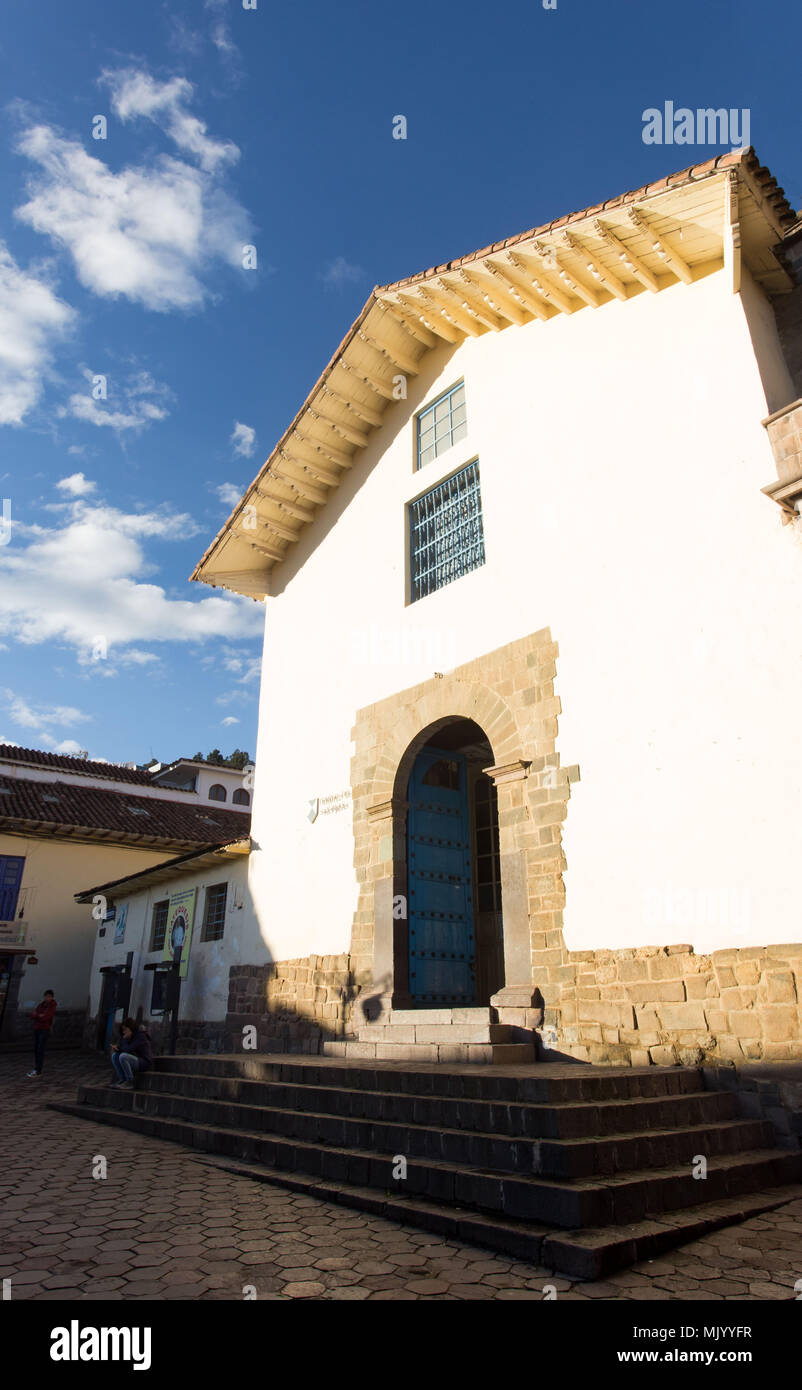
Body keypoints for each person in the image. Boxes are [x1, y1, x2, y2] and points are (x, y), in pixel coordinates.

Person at [110, 1017, 153, 1090]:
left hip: (144, 1062)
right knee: (115, 1056)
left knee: (123, 1056)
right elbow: (122, 1047)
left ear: (131, 1028)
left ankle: (130, 1081)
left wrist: (124, 1040)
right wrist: (117, 1048)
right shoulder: (128, 1037)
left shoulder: (140, 1036)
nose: (124, 1032)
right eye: (123, 1030)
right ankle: (123, 1080)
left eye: (125, 1030)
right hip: (134, 1059)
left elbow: (128, 1049)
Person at [27, 989, 57, 1077]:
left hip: (44, 1029)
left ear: (52, 997)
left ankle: (38, 1069)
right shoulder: (41, 1005)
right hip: (37, 1028)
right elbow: (33, 1015)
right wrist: (38, 1015)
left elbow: (46, 1017)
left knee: (40, 1049)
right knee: (36, 1049)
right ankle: (36, 1067)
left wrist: (38, 1016)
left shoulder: (52, 1006)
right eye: (46, 996)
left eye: (49, 997)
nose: (47, 998)